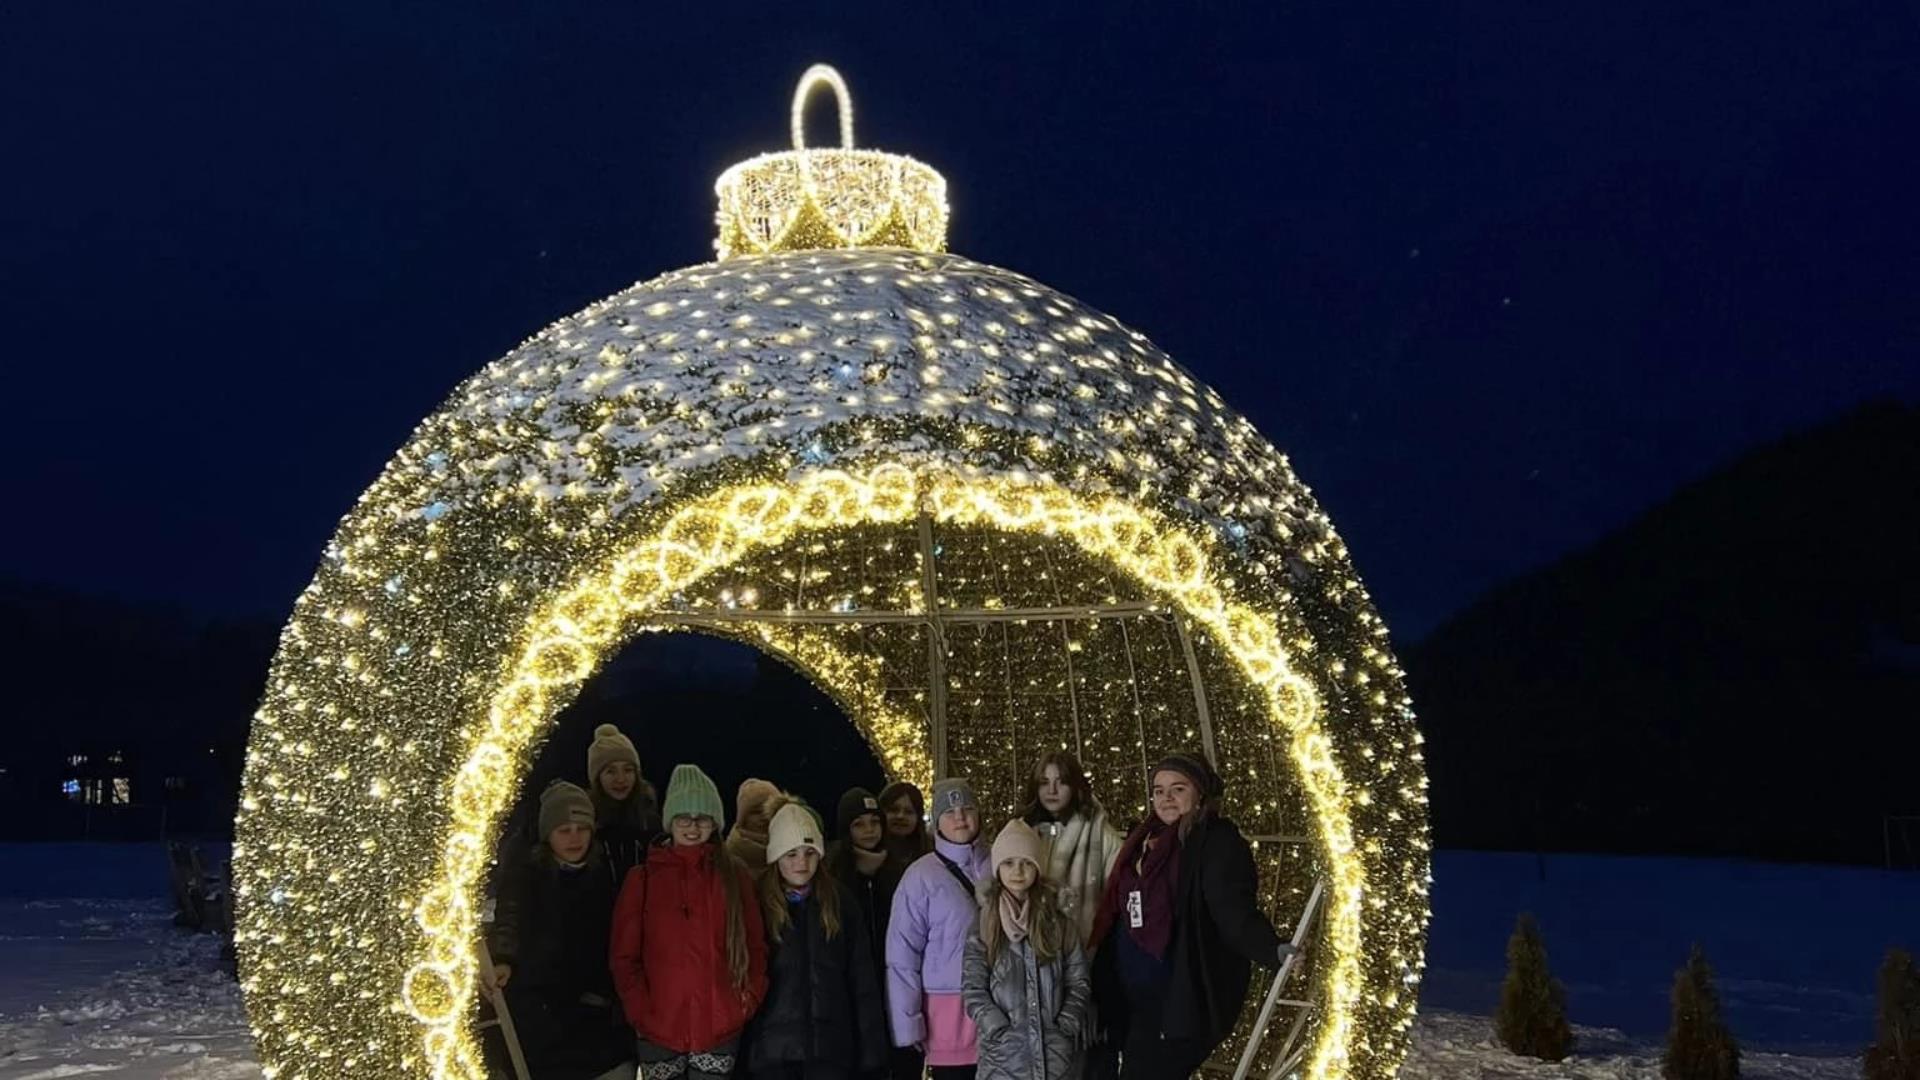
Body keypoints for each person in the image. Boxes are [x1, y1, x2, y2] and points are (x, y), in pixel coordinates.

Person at [1089, 754, 1298, 1080]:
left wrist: (1271, 949)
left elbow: (1232, 910)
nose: (1166, 798)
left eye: (1178, 789)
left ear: (1199, 793)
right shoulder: (1142, 839)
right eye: (1159, 791)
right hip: (1130, 996)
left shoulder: (1215, 842)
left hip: (1175, 1000)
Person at [611, 764, 769, 1080]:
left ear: (715, 823)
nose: (693, 827)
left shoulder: (734, 876)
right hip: (658, 1027)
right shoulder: (643, 879)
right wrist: (640, 1010)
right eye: (684, 817)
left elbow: (755, 945)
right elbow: (624, 956)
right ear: (670, 821)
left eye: (703, 818)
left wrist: (744, 1001)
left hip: (719, 1027)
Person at [486, 780, 633, 1080]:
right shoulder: (527, 875)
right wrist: (503, 959)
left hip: (593, 1001)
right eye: (564, 830)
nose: (574, 838)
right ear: (548, 834)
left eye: (582, 829)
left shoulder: (603, 872)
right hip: (540, 999)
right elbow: (509, 919)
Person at [746, 802, 888, 1080]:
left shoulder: (840, 902)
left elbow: (862, 981)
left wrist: (872, 1055)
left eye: (810, 853)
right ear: (776, 856)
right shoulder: (757, 902)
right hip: (771, 1054)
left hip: (831, 1050)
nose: (801, 862)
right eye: (791, 854)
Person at [963, 821, 1091, 1080]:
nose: (1018, 872)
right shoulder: (985, 923)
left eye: (1027, 863)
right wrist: (997, 1027)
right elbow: (973, 987)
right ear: (998, 868)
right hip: (1004, 1060)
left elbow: (1078, 980)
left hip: (1055, 1059)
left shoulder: (1058, 922)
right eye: (1009, 863)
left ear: (1038, 867)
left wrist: (1065, 1024)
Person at [887, 778, 991, 1080]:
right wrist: (908, 1024)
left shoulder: (1003, 864)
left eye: (967, 808)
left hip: (1000, 1018)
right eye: (949, 811)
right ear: (936, 822)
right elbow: (902, 956)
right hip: (947, 1022)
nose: (960, 817)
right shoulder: (920, 877)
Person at [1016, 752, 1124, 946]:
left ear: (1075, 786)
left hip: (1086, 948)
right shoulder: (1020, 834)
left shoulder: (1104, 837)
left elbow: (1116, 902)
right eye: (1044, 782)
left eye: (1061, 782)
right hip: (1030, 947)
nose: (1052, 790)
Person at [589, 723, 661, 880]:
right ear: (597, 778)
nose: (620, 779)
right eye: (611, 771)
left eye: (628, 770)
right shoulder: (587, 825)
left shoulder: (652, 822)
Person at [726, 778, 791, 870]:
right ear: (743, 817)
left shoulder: (793, 847)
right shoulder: (727, 857)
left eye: (769, 810)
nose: (764, 817)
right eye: (757, 812)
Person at [878, 781, 932, 865]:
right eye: (894, 810)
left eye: (908, 812)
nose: (900, 816)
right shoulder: (866, 852)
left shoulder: (931, 853)